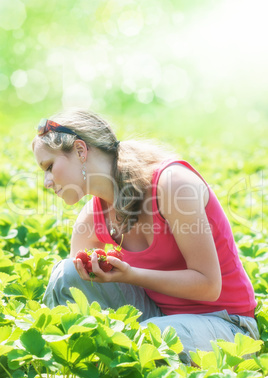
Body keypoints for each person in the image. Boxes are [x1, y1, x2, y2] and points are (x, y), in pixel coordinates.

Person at [32, 108, 259, 365]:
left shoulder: (172, 184)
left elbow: (209, 286)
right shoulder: (92, 216)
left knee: (150, 339)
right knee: (68, 274)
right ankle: (68, 368)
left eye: (49, 167)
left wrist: (131, 274)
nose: (46, 182)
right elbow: (73, 290)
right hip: (158, 317)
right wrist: (96, 269)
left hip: (227, 326)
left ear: (81, 151)